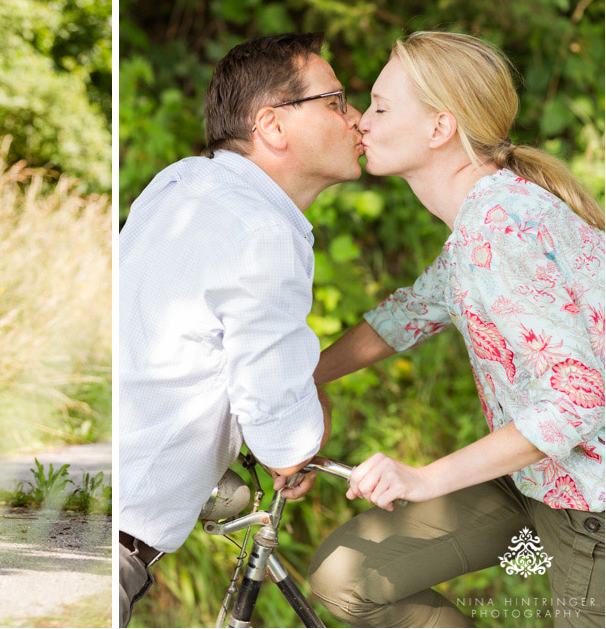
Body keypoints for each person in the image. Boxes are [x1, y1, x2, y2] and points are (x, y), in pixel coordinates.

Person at [307, 32, 605, 628]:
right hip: (534, 477)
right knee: (347, 575)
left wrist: (423, 478)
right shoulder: (480, 220)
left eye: (381, 107)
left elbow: (578, 401)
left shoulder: (503, 226)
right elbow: (409, 313)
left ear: (440, 128)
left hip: (589, 502)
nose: (361, 122)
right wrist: (301, 380)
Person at [119, 33, 366, 626]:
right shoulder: (262, 231)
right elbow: (285, 434)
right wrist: (303, 434)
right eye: (335, 101)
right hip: (122, 542)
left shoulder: (180, 183)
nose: (356, 117)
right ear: (273, 126)